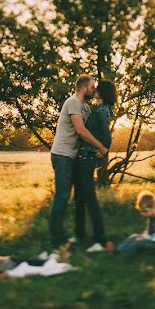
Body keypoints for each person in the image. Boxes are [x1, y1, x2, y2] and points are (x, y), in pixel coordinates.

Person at [47, 75, 108, 251]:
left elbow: (90, 132)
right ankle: (55, 240)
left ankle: (71, 235)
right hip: (62, 155)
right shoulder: (73, 102)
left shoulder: (86, 109)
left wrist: (95, 148)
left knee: (74, 197)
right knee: (62, 196)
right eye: (91, 87)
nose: (94, 90)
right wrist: (101, 147)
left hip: (73, 157)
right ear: (83, 88)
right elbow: (81, 131)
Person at [72, 79, 116, 252]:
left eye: (97, 88)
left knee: (89, 198)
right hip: (83, 157)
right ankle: (80, 234)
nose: (94, 90)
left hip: (87, 158)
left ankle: (101, 240)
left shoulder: (102, 111)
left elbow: (107, 137)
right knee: (80, 197)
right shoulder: (97, 109)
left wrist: (103, 150)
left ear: (102, 92)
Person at [0, 234, 67, 280]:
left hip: (11, 261)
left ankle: (48, 259)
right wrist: (2, 275)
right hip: (13, 264)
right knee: (32, 262)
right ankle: (52, 260)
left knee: (31, 260)